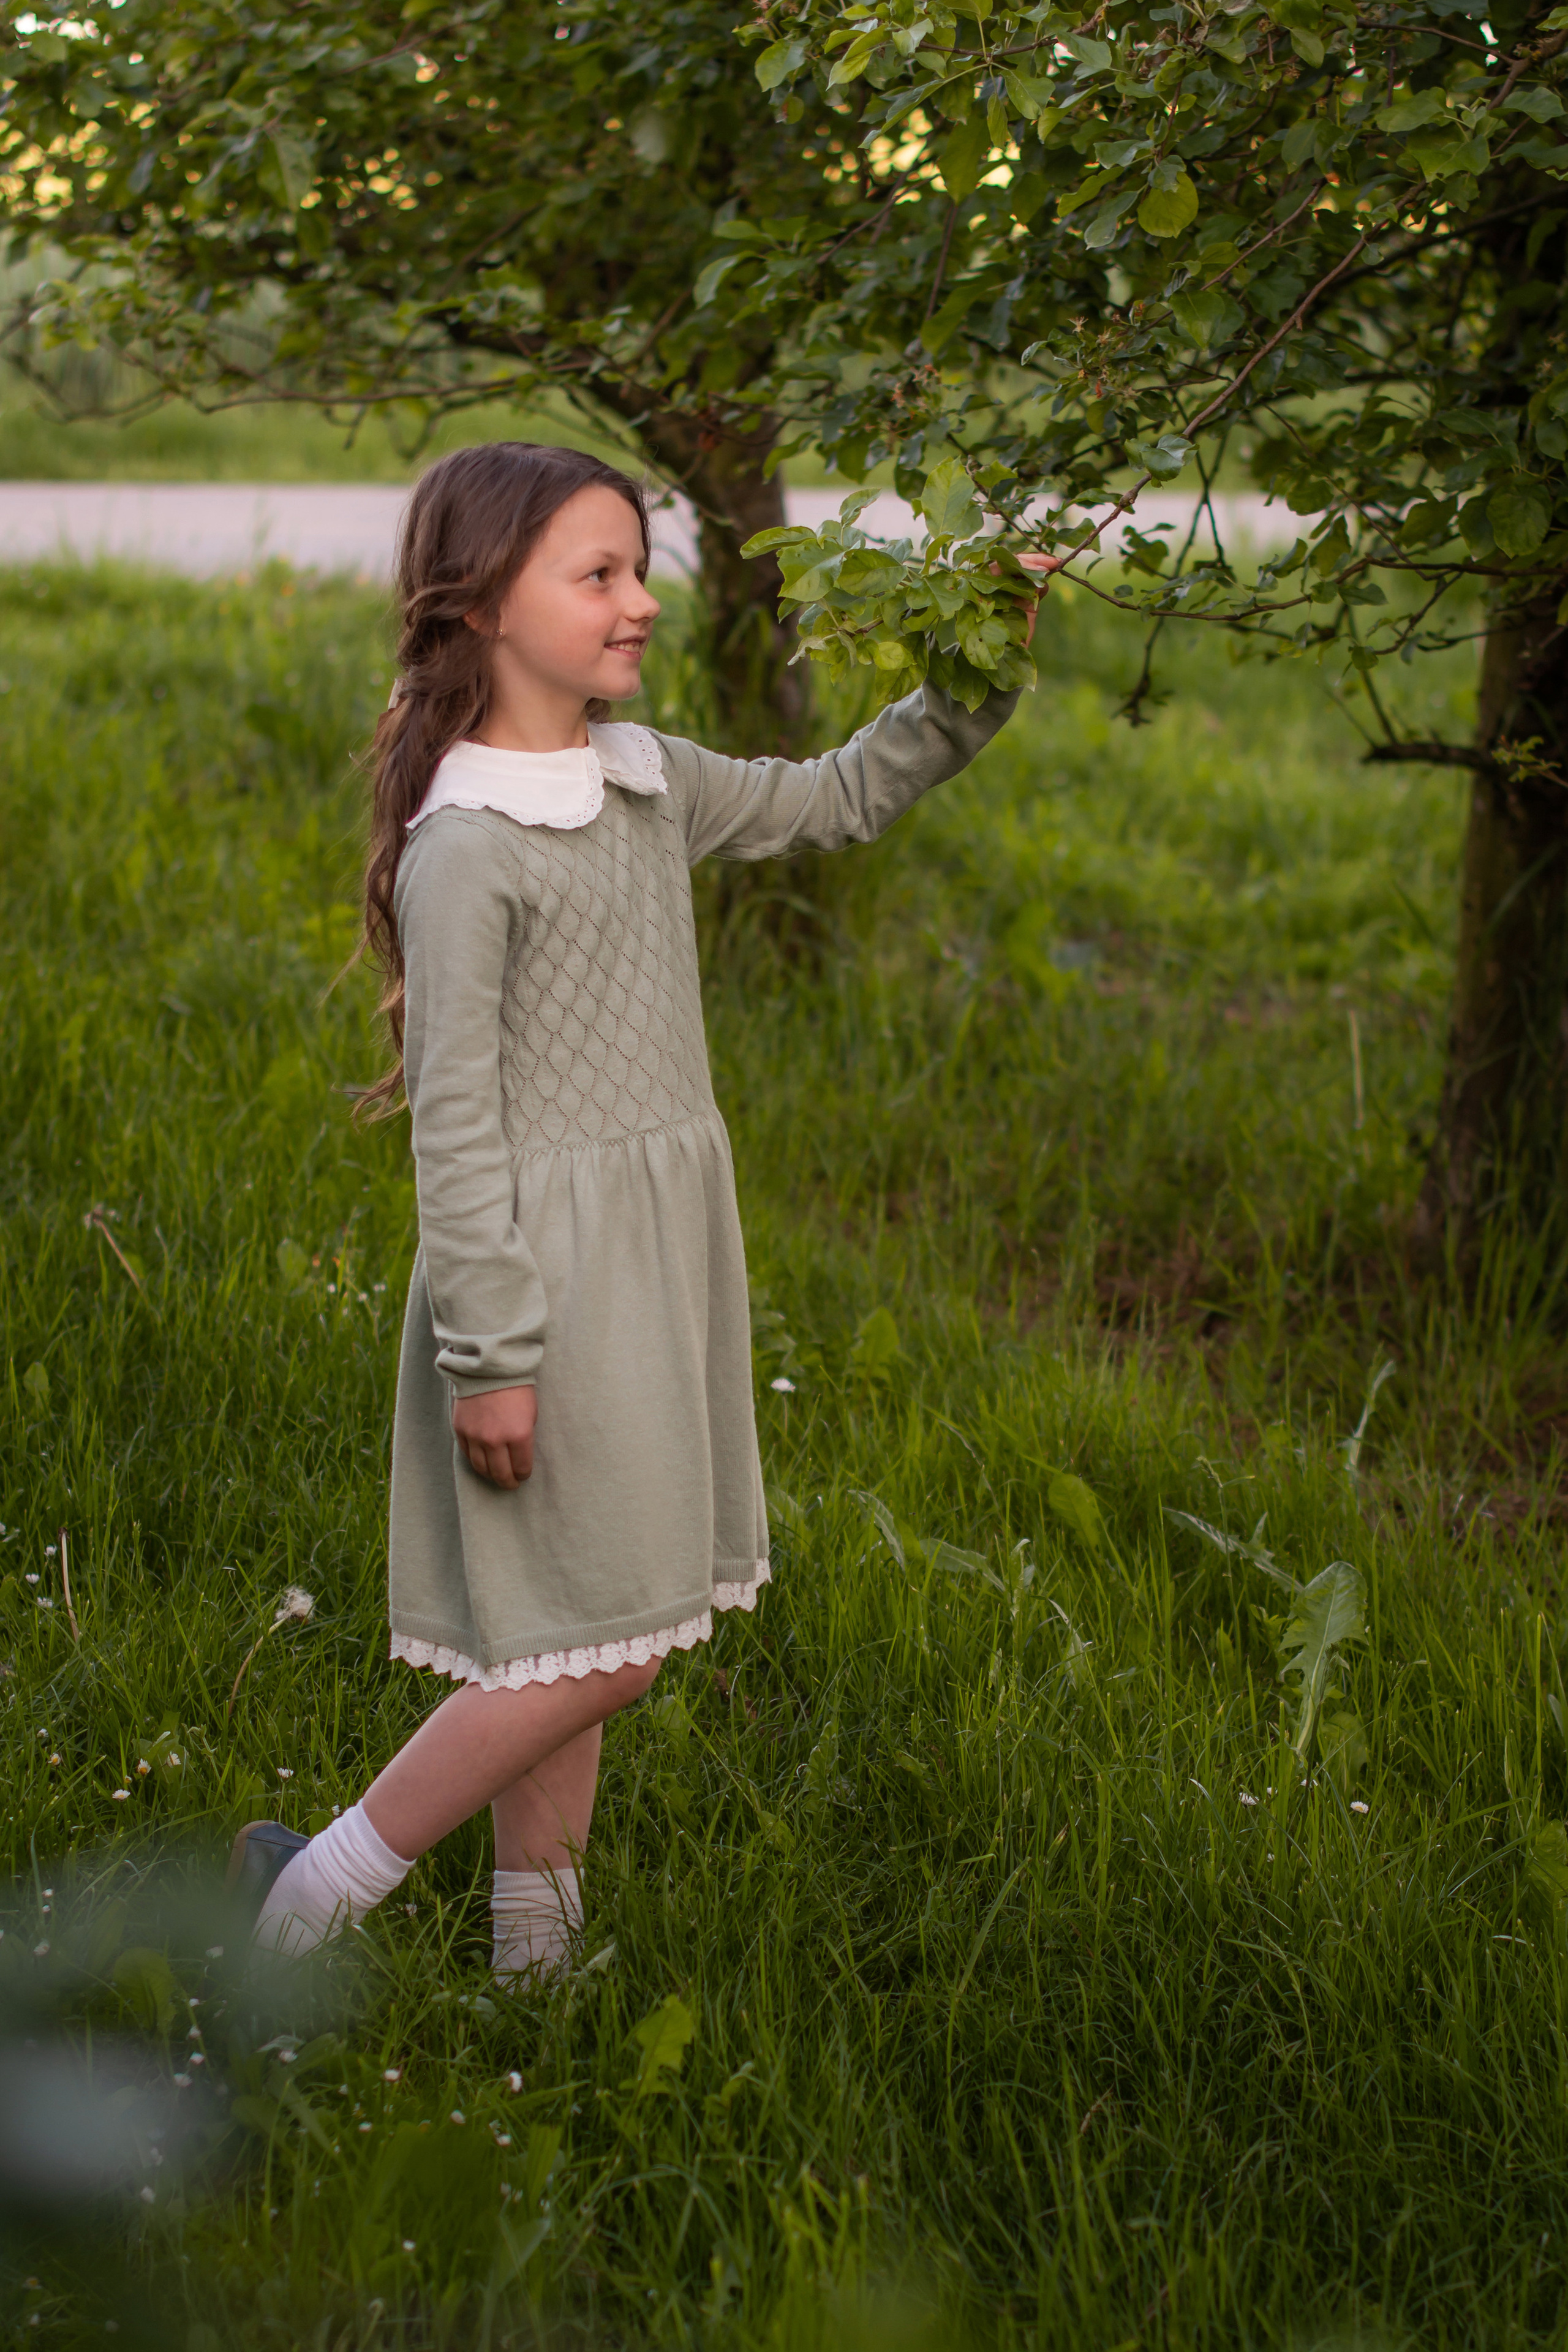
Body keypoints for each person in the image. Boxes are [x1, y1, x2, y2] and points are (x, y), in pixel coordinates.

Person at [228, 440, 1055, 1983]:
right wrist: (492, 1353)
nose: (639, 603)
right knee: (626, 1629)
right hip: (542, 1291)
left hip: (659, 1262)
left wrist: (975, 655)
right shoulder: (467, 847)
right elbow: (455, 1123)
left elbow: (837, 797)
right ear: (481, 605)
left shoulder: (646, 776)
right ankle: (320, 1890)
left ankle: (535, 1959)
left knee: (581, 1633)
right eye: (595, 574)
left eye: (637, 568)